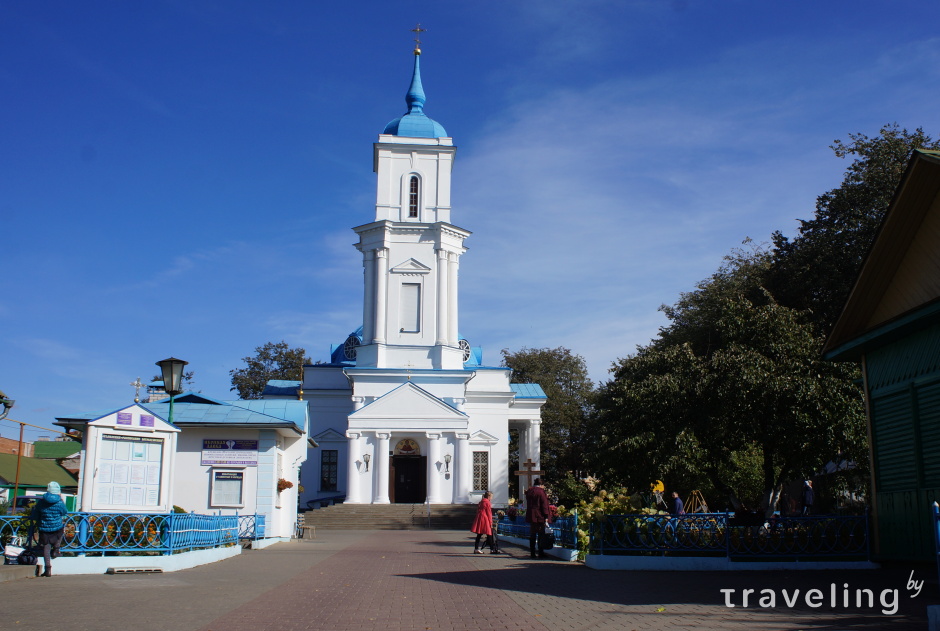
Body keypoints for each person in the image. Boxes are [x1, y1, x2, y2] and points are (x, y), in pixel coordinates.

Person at [30, 481, 69, 577]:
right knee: (60, 534)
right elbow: (64, 512)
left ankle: (48, 569)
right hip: (57, 526)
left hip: (44, 527)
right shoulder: (59, 502)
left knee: (46, 548)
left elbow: (37, 513)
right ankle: (56, 549)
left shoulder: (42, 501)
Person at [524, 478, 551, 559]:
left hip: (531, 515)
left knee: (532, 534)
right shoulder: (541, 492)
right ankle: (540, 552)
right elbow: (544, 505)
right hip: (539, 516)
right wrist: (546, 515)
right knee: (541, 534)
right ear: (541, 485)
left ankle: (532, 552)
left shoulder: (530, 491)